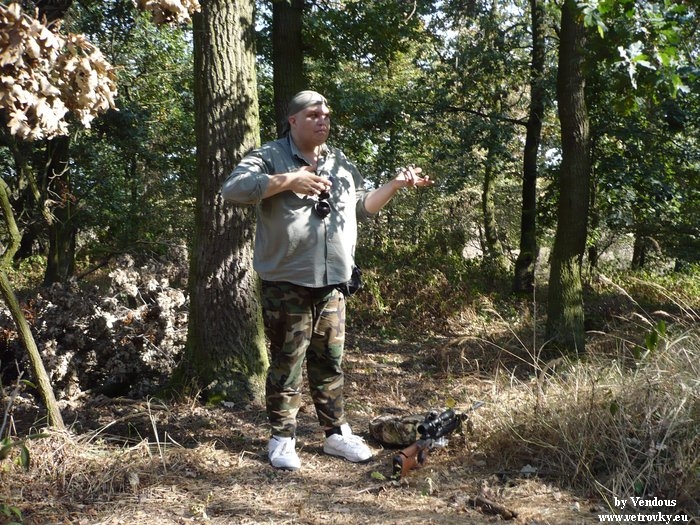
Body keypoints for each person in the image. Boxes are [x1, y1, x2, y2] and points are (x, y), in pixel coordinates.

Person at [221, 90, 432, 471]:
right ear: (293, 120)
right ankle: (282, 438)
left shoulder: (339, 161)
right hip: (287, 281)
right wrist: (289, 180)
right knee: (287, 363)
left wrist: (394, 186)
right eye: (314, 115)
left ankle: (335, 435)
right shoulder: (269, 156)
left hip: (334, 282)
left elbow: (362, 206)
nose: (323, 121)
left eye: (326, 115)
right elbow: (233, 190)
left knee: (330, 362)